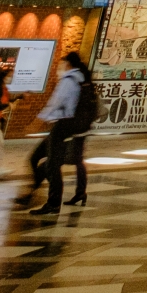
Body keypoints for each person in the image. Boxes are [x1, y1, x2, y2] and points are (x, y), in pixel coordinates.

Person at [29, 51, 93, 215]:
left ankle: (52, 202)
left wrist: (38, 120)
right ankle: (35, 194)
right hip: (70, 126)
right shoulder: (82, 78)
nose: (60, 67)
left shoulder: (69, 80)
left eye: (61, 64)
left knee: (51, 164)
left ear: (68, 64)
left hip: (63, 125)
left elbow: (55, 102)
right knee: (40, 159)